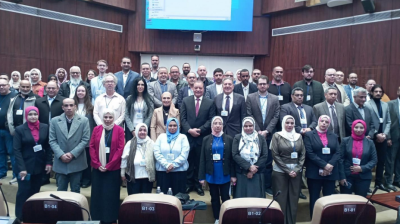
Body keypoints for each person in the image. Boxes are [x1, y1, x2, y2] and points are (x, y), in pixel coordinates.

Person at [13, 106, 52, 222]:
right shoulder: (20, 129)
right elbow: (17, 150)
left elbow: (48, 146)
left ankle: (33, 215)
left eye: (35, 114)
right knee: (23, 192)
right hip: (24, 167)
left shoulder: (45, 127)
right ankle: (20, 217)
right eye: (30, 114)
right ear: (26, 116)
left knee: (35, 192)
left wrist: (49, 163)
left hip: (39, 166)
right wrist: (22, 168)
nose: (33, 116)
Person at [246, 75, 280, 196]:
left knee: (268, 161)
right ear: (257, 85)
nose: (262, 86)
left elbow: (276, 116)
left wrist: (267, 131)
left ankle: (267, 186)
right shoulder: (250, 97)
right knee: (255, 159)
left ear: (268, 85)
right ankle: (255, 184)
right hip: (254, 134)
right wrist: (259, 130)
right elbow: (249, 114)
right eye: (260, 84)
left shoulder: (275, 99)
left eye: (264, 84)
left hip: (269, 135)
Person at [180, 81, 216, 196]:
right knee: (189, 161)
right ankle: (188, 184)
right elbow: (183, 118)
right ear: (192, 88)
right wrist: (190, 130)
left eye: (200, 88)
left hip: (202, 137)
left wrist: (200, 130)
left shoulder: (210, 102)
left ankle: (198, 185)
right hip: (188, 137)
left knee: (200, 162)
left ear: (204, 89)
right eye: (196, 88)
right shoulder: (186, 101)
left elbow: (211, 120)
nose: (198, 90)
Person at [89, 109, 124, 224]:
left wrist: (109, 166)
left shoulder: (119, 130)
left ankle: (110, 217)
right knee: (97, 193)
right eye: (105, 117)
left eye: (110, 117)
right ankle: (97, 217)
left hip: (112, 168)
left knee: (111, 194)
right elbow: (92, 147)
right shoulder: (96, 129)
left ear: (114, 118)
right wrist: (98, 164)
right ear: (102, 118)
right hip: (98, 168)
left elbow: (120, 149)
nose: (108, 120)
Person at [198, 116, 235, 224]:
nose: (218, 125)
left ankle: (226, 217)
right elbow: (202, 159)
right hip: (211, 172)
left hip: (224, 173)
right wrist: (201, 177)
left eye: (220, 123)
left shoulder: (229, 139)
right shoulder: (206, 139)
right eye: (215, 123)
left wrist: (233, 175)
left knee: (225, 197)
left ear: (222, 125)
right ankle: (217, 218)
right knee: (214, 198)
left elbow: (232, 160)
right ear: (212, 125)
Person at [49, 98, 90, 193]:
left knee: (75, 190)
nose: (69, 108)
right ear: (62, 107)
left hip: (76, 160)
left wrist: (72, 154)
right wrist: (61, 155)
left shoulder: (84, 121)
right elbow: (52, 140)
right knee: (61, 191)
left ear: (75, 107)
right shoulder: (55, 121)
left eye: (71, 105)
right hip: (60, 160)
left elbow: (85, 140)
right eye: (66, 106)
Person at [270, 115, 305, 224]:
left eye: (291, 123)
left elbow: (303, 154)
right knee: (281, 199)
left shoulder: (299, 136)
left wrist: (297, 168)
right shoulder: (277, 136)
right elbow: (275, 155)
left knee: (293, 200)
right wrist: (288, 170)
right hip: (280, 172)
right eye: (287, 123)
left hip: (296, 172)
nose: (289, 125)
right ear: (283, 123)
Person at [304, 115, 340, 218]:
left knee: (328, 199)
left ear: (329, 124)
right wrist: (324, 165)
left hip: (330, 172)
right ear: (318, 122)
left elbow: (337, 152)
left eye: (326, 122)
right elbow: (309, 153)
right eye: (322, 121)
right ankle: (315, 219)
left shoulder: (333, 136)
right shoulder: (309, 135)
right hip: (314, 172)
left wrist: (330, 165)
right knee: (314, 198)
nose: (324, 123)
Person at [35, 81, 66, 185]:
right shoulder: (39, 101)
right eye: (49, 88)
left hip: (59, 131)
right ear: (45, 89)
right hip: (43, 131)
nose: (51, 90)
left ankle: (59, 178)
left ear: (57, 89)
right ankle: (45, 177)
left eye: (53, 88)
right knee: (44, 153)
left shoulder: (62, 101)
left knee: (58, 153)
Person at [339, 120, 378, 197]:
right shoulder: (345, 141)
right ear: (352, 128)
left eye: (361, 127)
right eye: (356, 127)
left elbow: (374, 160)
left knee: (360, 202)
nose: (359, 130)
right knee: (345, 202)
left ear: (365, 129)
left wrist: (362, 168)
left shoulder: (370, 142)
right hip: (347, 176)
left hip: (363, 177)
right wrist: (342, 177)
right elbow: (340, 159)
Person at [232, 117, 268, 198]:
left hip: (257, 173)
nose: (248, 128)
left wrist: (252, 170)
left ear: (254, 126)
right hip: (241, 173)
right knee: (242, 200)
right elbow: (235, 154)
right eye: (246, 126)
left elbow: (264, 155)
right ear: (242, 127)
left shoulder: (260, 138)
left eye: (250, 125)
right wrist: (248, 167)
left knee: (256, 200)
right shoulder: (237, 138)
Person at [365, 85, 391, 192]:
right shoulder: (367, 104)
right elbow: (367, 123)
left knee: (381, 161)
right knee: (369, 161)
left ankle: (378, 183)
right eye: (376, 91)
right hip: (371, 137)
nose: (378, 93)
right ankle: (366, 185)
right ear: (371, 92)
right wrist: (376, 134)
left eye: (380, 91)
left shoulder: (385, 105)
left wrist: (384, 134)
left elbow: (388, 121)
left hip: (383, 137)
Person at [154, 118, 190, 194]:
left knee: (178, 197)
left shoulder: (183, 137)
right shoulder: (161, 137)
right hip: (163, 172)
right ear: (166, 126)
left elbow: (184, 154)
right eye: (170, 125)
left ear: (178, 127)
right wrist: (167, 165)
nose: (172, 127)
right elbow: (157, 152)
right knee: (163, 197)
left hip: (179, 172)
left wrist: (173, 165)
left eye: (174, 125)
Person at [121, 123, 155, 194]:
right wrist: (122, 173)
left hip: (147, 177)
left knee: (145, 200)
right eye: (140, 130)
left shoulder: (151, 143)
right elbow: (124, 158)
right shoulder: (130, 143)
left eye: (144, 130)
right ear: (136, 131)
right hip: (133, 177)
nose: (142, 132)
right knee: (134, 200)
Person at [73, 84, 96, 188]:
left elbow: (93, 124)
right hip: (74, 138)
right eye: (79, 91)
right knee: (76, 160)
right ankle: (77, 179)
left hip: (87, 138)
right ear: (76, 92)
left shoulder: (91, 107)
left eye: (83, 91)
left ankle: (87, 180)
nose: (80, 93)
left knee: (86, 160)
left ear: (86, 93)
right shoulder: (72, 105)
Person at [0, 79, 17, 179]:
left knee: (12, 152)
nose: (1, 87)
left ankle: (15, 174)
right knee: (0, 152)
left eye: (3, 85)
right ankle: (2, 172)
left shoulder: (14, 96)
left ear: (8, 85)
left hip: (9, 130)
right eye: (0, 85)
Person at [386, 86, 400, 190]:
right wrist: (388, 137)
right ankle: (388, 181)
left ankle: (397, 180)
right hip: (393, 137)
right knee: (390, 160)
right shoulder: (390, 104)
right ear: (398, 91)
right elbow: (388, 121)